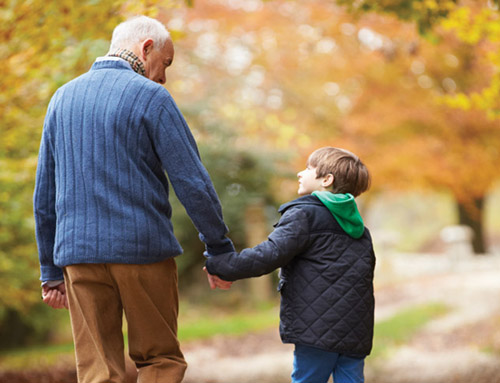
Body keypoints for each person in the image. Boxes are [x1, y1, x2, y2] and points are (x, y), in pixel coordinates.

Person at [34, 15, 233, 383]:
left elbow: (45, 193)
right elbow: (191, 180)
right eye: (166, 63)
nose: (163, 76)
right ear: (146, 48)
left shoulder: (61, 99)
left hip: (77, 257)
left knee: (96, 370)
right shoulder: (153, 98)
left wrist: (50, 270)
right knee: (159, 360)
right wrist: (219, 248)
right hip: (143, 252)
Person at [205, 147, 376, 383]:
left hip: (318, 330)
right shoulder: (360, 231)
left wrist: (222, 265)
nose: (300, 173)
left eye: (308, 169)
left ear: (326, 180)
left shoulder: (304, 215)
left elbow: (269, 255)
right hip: (356, 331)